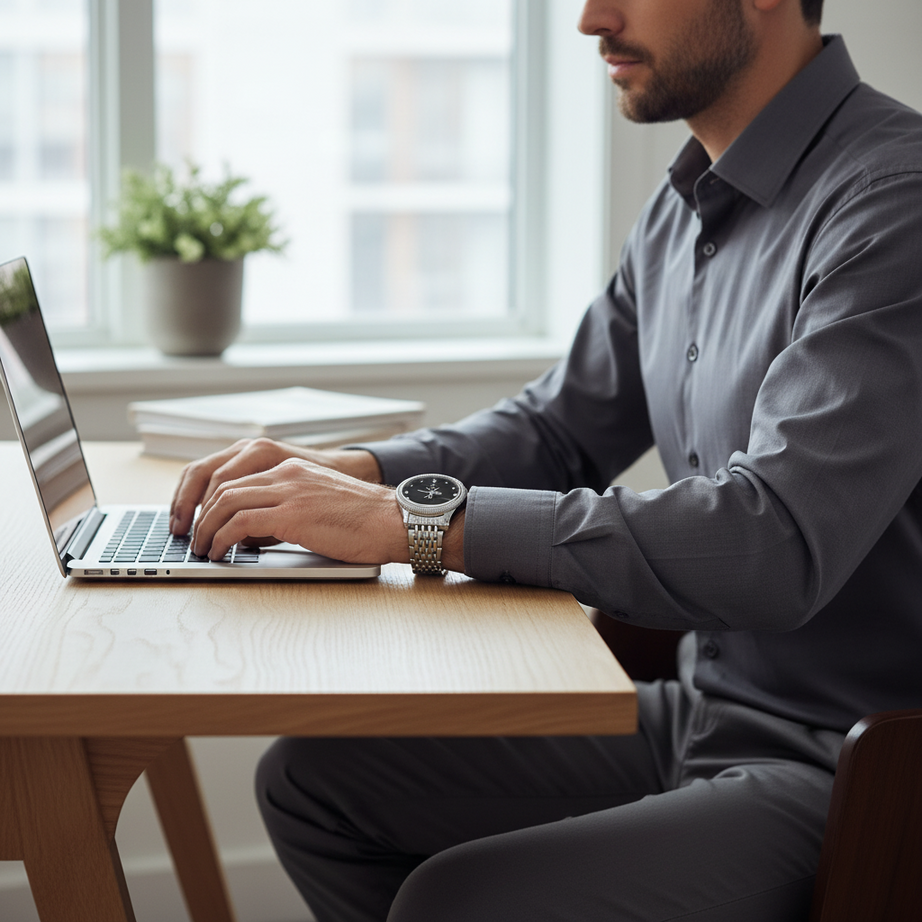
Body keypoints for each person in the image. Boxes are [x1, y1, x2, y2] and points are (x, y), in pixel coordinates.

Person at [169, 0, 922, 919]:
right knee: (314, 785)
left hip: (860, 767)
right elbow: (562, 432)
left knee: (454, 901)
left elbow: (776, 543)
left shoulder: (895, 200)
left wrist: (418, 526)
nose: (589, 19)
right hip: (707, 710)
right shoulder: (684, 206)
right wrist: (354, 475)